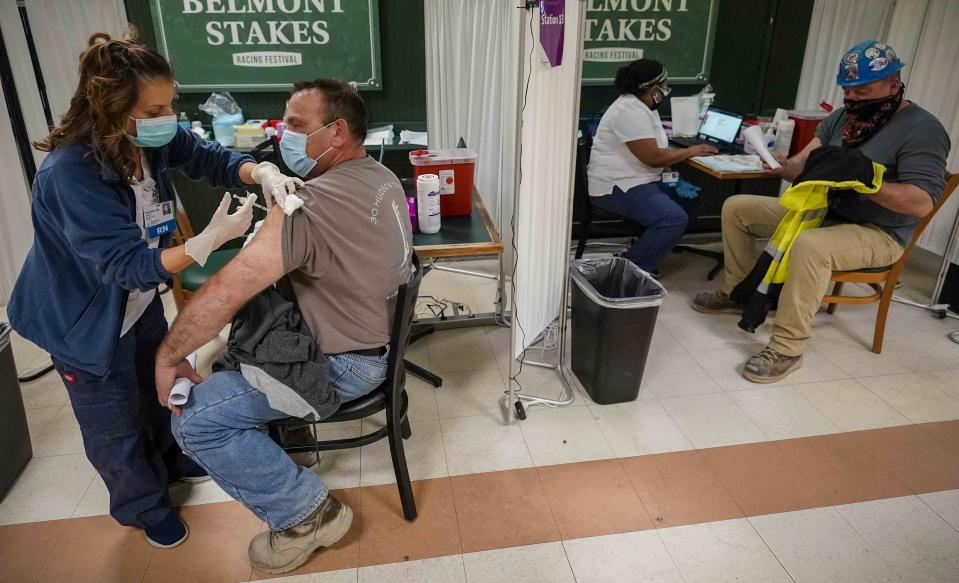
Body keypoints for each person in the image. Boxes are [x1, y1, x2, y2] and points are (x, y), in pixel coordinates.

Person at [7, 30, 302, 548]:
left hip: (137, 306)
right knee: (113, 424)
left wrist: (261, 173)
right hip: (83, 321)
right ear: (113, 110)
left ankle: (170, 461)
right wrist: (205, 243)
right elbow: (126, 266)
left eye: (171, 102)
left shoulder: (150, 143)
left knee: (156, 385)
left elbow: (210, 157)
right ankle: (142, 507)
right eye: (155, 108)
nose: (169, 116)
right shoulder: (70, 175)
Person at [153, 78, 413, 574]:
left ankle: (306, 515)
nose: (282, 134)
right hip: (373, 341)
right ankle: (286, 447)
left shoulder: (310, 203)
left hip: (347, 363)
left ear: (336, 132)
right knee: (238, 346)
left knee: (195, 419)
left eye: (295, 125)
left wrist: (168, 356)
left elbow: (231, 288)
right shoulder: (379, 176)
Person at [692, 40, 950, 383]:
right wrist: (779, 166)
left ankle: (786, 348)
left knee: (810, 246)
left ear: (893, 84)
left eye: (863, 90)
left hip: (880, 231)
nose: (853, 98)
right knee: (738, 208)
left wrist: (868, 181)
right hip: (824, 212)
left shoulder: (923, 130)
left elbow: (921, 201)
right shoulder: (842, 118)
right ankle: (739, 293)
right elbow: (800, 168)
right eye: (847, 90)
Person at [586, 58, 717, 273]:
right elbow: (653, 158)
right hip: (616, 185)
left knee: (691, 203)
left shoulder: (645, 107)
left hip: (641, 179)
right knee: (673, 218)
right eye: (664, 86)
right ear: (651, 88)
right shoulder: (627, 111)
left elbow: (656, 152)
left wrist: (671, 174)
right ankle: (628, 270)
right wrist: (691, 151)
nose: (666, 91)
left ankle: (648, 250)